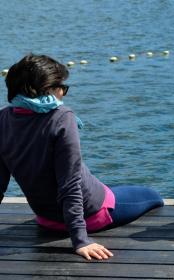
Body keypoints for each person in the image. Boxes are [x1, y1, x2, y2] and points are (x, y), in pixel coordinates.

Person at [0, 54, 164, 260]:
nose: (63, 95)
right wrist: (80, 240)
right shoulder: (61, 118)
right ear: (48, 89)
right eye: (62, 88)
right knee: (152, 196)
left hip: (45, 218)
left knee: (108, 187)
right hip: (90, 215)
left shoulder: (3, 119)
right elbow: (69, 184)